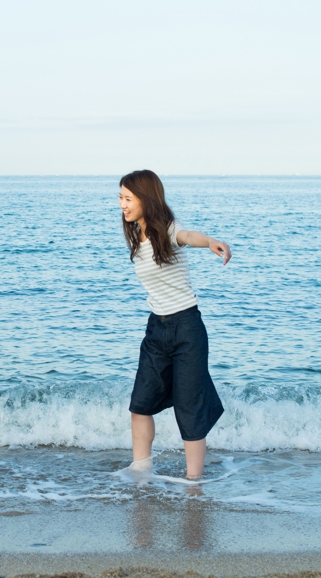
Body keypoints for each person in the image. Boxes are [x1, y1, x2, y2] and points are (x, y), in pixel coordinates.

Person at [118, 170, 230, 480]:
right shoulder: (136, 235)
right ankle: (141, 472)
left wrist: (209, 242)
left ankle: (194, 483)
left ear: (146, 199)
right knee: (140, 405)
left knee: (189, 408)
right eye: (120, 198)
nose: (122, 205)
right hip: (156, 329)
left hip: (186, 329)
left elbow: (187, 236)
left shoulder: (165, 230)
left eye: (128, 198)